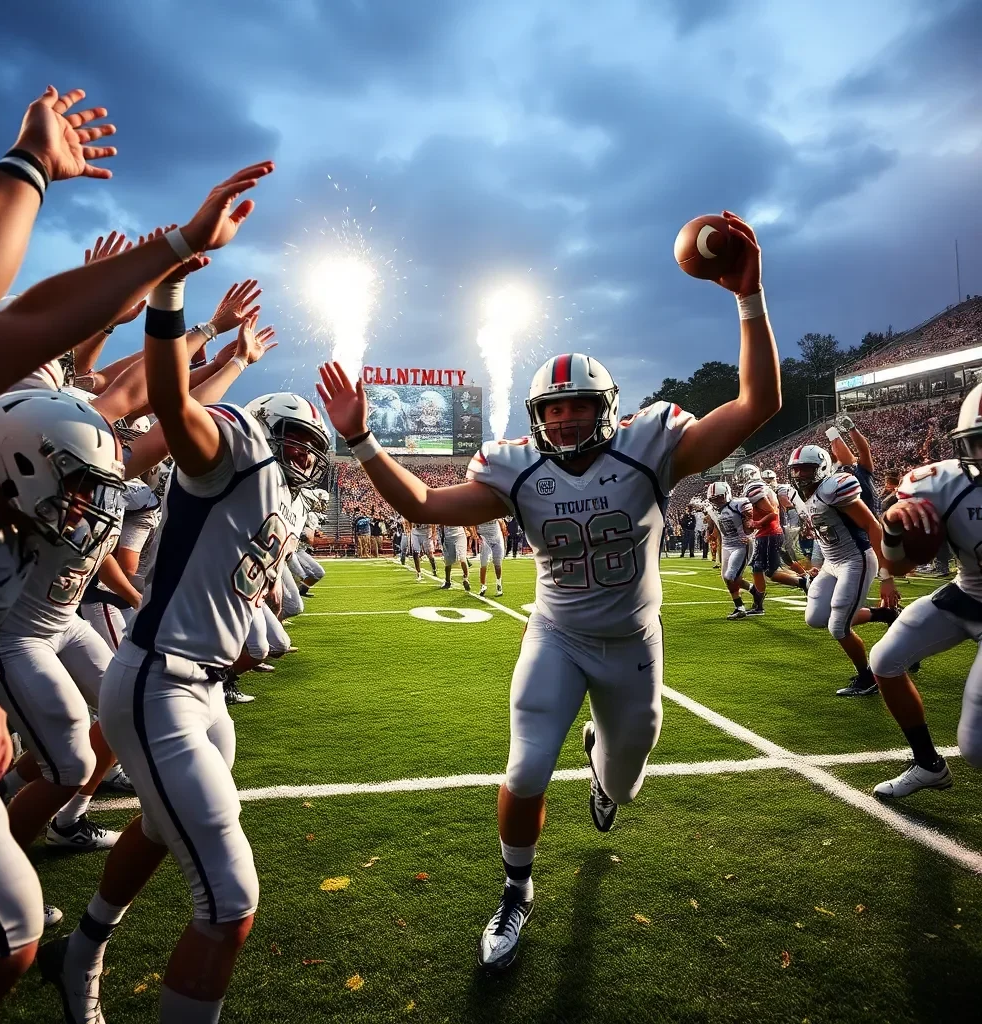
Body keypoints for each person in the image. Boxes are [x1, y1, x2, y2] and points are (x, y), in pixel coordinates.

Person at [316, 208, 780, 972]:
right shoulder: (515, 470)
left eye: (578, 407)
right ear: (537, 418)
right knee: (527, 767)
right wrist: (363, 439)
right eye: (553, 410)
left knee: (624, 788)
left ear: (608, 409)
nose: (565, 420)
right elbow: (425, 508)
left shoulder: (650, 448)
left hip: (633, 643)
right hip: (556, 635)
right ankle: (514, 891)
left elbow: (756, 403)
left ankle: (605, 761)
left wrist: (747, 299)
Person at [37, 159, 281, 1024]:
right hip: (143, 664)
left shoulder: (269, 485)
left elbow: (163, 410)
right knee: (229, 899)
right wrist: (171, 305)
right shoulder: (236, 452)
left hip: (198, 679)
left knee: (155, 822)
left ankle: (86, 944)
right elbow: (168, 405)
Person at [868, 383, 982, 796]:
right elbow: (900, 564)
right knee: (885, 660)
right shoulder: (942, 482)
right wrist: (895, 527)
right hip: (968, 591)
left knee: (976, 747)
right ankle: (928, 764)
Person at [788, 445, 899, 696]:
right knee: (816, 618)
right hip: (831, 563)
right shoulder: (808, 495)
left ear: (822, 468)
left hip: (855, 560)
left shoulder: (833, 488)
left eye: (805, 469)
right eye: (795, 470)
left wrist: (886, 575)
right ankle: (884, 615)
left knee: (838, 627)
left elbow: (872, 525)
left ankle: (867, 677)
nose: (799, 475)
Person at [735, 463, 808, 615]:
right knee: (757, 567)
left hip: (769, 534)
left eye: (742, 475)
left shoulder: (755, 488)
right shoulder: (762, 487)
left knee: (770, 572)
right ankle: (758, 605)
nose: (739, 479)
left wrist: (756, 523)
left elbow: (772, 513)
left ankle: (804, 582)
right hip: (768, 534)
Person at [706, 482, 756, 619]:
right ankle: (742, 605)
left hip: (741, 544)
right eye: (713, 499)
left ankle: (753, 595)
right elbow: (711, 524)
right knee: (727, 578)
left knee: (731, 576)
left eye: (719, 498)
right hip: (727, 545)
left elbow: (752, 520)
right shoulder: (712, 509)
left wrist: (751, 535)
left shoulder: (739, 504)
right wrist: (708, 532)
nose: (716, 501)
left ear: (727, 494)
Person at [478, 518, 505, 596]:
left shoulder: (493, 509)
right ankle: (483, 586)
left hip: (496, 537)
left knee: (497, 563)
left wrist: (501, 522)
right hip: (484, 537)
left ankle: (499, 585)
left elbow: (501, 519)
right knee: (483, 562)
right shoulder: (478, 511)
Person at [440, 524, 471, 591]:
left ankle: (466, 579)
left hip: (460, 536)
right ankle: (447, 581)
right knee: (448, 561)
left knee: (462, 558)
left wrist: (470, 531)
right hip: (448, 538)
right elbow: (441, 526)